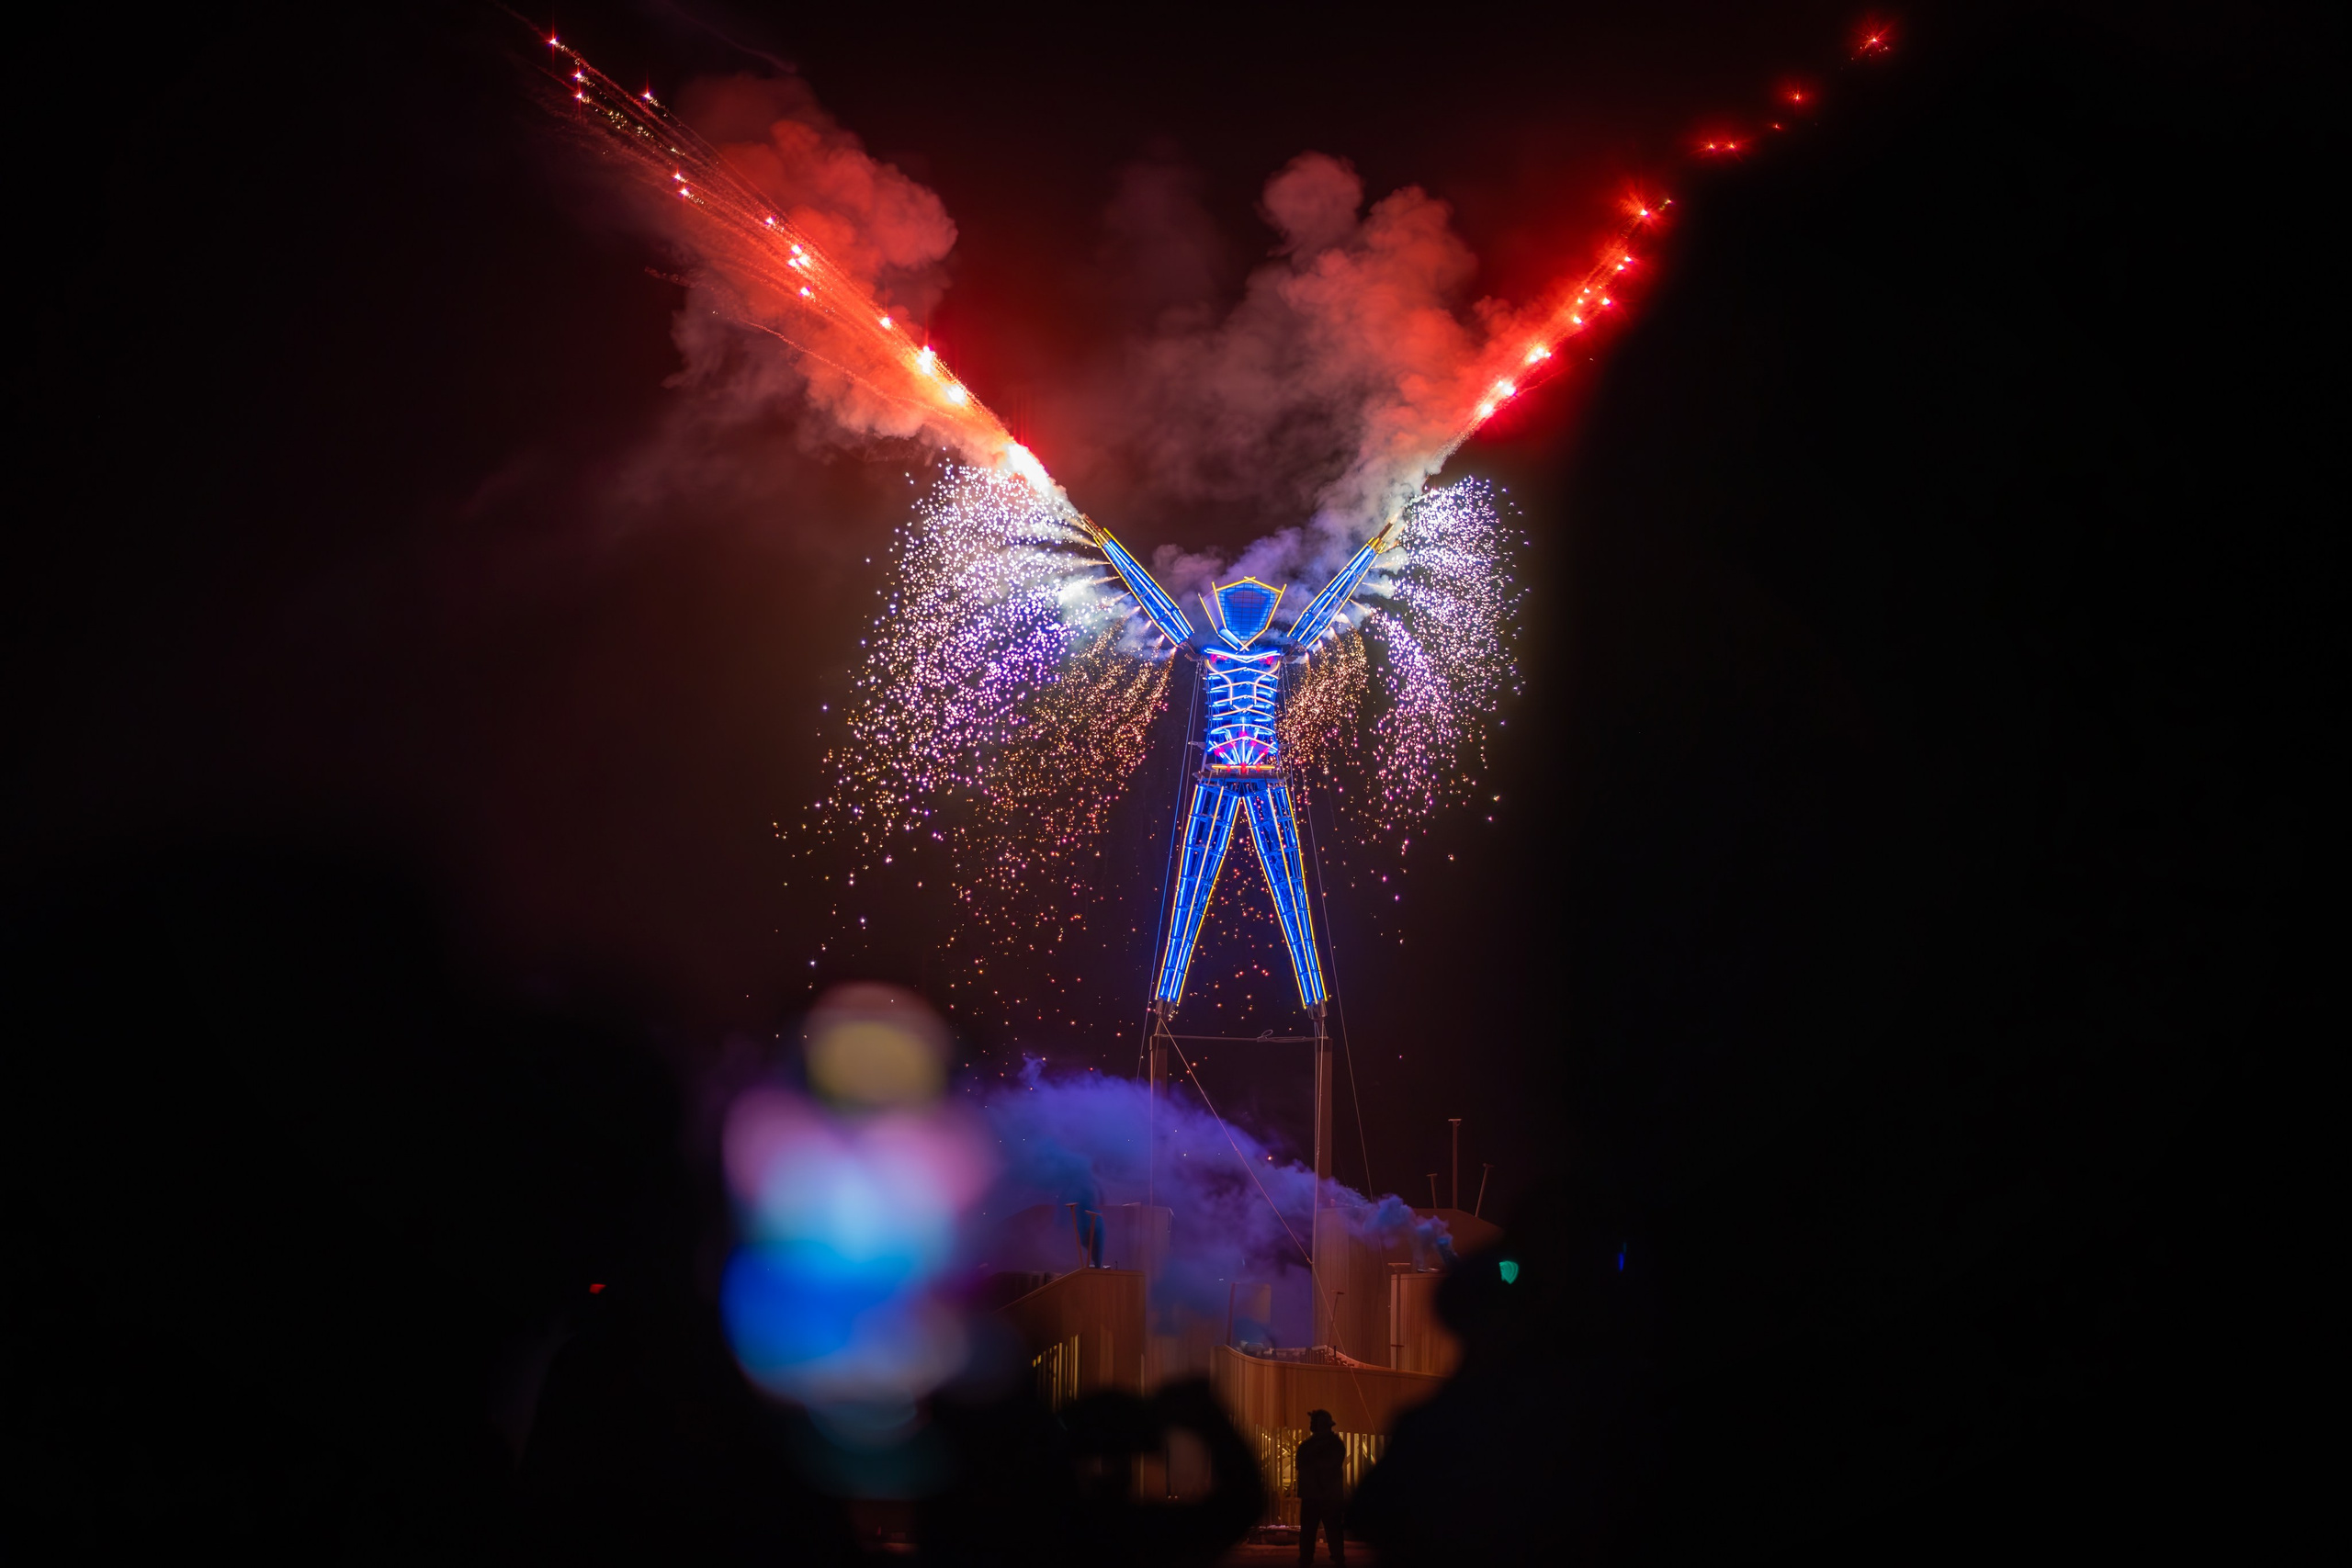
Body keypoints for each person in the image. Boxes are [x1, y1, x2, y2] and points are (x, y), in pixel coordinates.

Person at [1294, 1409, 1347, 1563]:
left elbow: (1303, 1466)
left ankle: (1308, 1558)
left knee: (1310, 1532)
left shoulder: (1308, 1446)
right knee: (1332, 1530)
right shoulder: (1336, 1445)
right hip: (1328, 1496)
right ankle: (1336, 1557)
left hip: (1316, 1495)